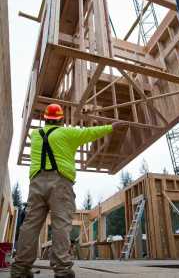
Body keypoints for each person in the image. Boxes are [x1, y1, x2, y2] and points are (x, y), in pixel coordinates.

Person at [11, 104, 127, 278]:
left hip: (36, 183)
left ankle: (20, 270)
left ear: (45, 119)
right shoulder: (67, 133)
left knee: (30, 225)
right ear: (61, 119)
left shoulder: (35, 135)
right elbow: (90, 133)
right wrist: (111, 126)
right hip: (60, 183)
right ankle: (62, 270)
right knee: (61, 225)